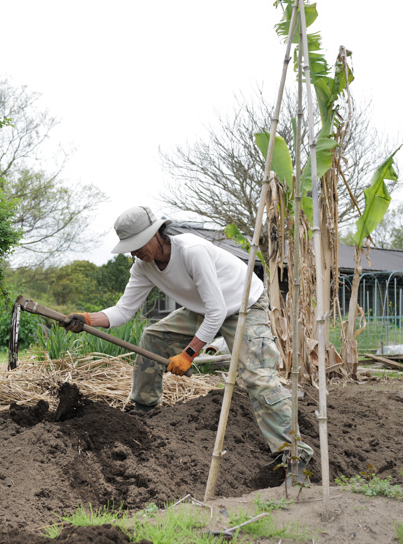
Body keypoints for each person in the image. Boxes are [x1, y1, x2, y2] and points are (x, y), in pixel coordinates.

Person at [61, 205, 313, 486]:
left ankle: (294, 456)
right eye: (129, 248)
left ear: (157, 233)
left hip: (244, 304)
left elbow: (218, 312)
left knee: (258, 377)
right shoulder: (143, 267)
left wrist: (188, 354)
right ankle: (145, 411)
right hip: (204, 308)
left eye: (137, 245)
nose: (134, 253)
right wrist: (86, 319)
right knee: (153, 338)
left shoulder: (191, 251)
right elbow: (123, 311)